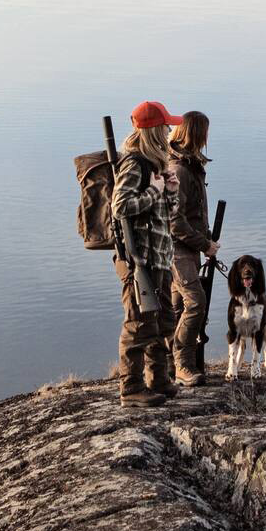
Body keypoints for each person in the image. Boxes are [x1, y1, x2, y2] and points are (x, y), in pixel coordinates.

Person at [111, 101, 180, 406]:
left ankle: (159, 379)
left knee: (161, 320)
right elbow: (120, 206)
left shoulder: (153, 166)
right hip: (140, 260)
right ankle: (131, 389)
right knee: (138, 323)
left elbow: (164, 216)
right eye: (165, 128)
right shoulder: (135, 164)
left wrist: (170, 192)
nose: (169, 133)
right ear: (154, 131)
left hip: (159, 258)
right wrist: (154, 191)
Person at [166, 110, 221, 387]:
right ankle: (183, 364)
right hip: (177, 250)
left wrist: (206, 240)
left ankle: (169, 365)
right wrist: (204, 244)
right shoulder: (179, 169)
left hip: (188, 248)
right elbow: (174, 222)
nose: (208, 137)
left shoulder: (190, 166)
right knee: (196, 302)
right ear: (197, 134)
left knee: (177, 307)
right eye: (206, 132)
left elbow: (193, 212)